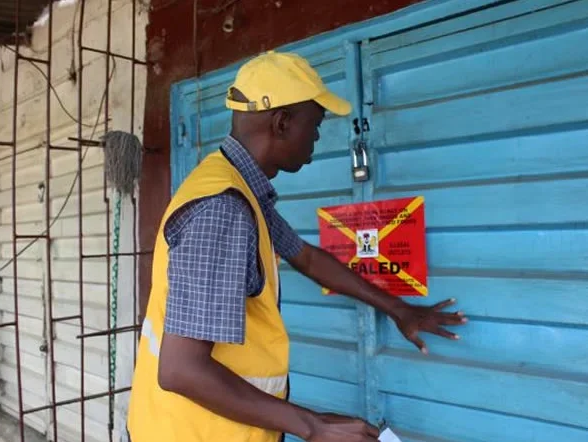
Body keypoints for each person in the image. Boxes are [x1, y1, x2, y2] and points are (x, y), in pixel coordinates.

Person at [127, 50, 467, 442]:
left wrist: (398, 309)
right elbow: (182, 370)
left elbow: (305, 257)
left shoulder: (238, 187)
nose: (318, 138)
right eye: (316, 124)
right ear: (282, 122)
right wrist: (314, 426)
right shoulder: (222, 209)